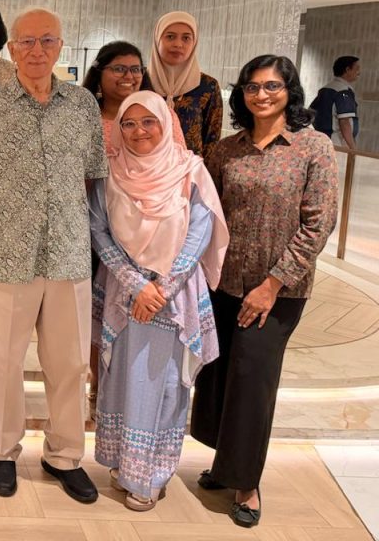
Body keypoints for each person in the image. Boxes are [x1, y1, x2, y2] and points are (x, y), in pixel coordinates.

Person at [0, 8, 108, 503]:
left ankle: (64, 455)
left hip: (67, 253)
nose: (37, 50)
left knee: (69, 363)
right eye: (27, 41)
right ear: (13, 48)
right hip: (6, 256)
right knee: (4, 361)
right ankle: (2, 452)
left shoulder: (83, 106)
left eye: (47, 40)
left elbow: (89, 175)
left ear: (60, 46)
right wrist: (8, 223)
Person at [191, 55, 338, 529]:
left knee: (253, 380)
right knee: (220, 376)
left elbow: (319, 223)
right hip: (224, 283)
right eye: (252, 87)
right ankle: (224, 465)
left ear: (289, 90)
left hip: (278, 291)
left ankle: (247, 484)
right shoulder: (226, 150)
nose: (261, 95)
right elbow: (207, 214)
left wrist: (272, 283)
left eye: (272, 86)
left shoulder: (313, 147)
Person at [89, 91, 228, 511]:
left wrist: (161, 289)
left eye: (148, 121)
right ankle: (123, 464)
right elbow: (98, 230)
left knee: (164, 383)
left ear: (166, 124)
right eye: (128, 124)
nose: (138, 131)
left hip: (174, 297)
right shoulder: (110, 172)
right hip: (124, 295)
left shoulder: (190, 170)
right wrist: (136, 284)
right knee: (121, 380)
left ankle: (150, 477)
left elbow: (199, 233)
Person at [81, 41, 184, 411]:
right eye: (119, 68)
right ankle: (98, 386)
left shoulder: (160, 114)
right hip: (91, 229)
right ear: (100, 72)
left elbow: (176, 169)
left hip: (147, 236)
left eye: (135, 69)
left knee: (140, 317)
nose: (129, 76)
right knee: (94, 316)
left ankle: (137, 397)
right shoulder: (84, 115)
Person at [147, 11, 223, 157]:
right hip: (143, 167)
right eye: (170, 36)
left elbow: (211, 140)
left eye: (186, 38)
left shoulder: (207, 86)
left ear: (194, 43)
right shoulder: (139, 81)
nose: (178, 44)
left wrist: (203, 171)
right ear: (157, 39)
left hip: (190, 169)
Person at [310, 55, 361, 150]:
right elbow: (344, 122)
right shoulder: (343, 91)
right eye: (357, 68)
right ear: (347, 69)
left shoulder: (325, 89)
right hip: (336, 142)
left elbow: (311, 113)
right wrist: (353, 147)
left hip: (321, 140)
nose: (359, 72)